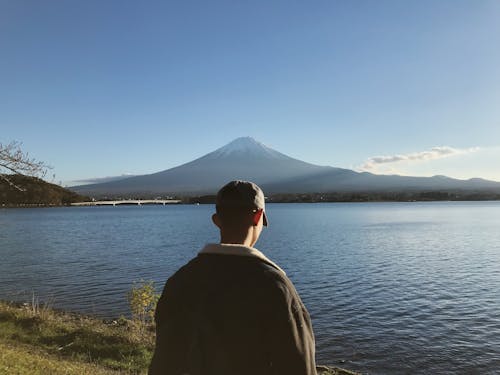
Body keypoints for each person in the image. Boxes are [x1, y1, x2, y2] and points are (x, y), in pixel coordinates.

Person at [149, 180, 317, 375]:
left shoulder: (180, 280)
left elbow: (164, 361)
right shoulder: (275, 286)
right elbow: (299, 366)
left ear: (216, 220)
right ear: (258, 217)